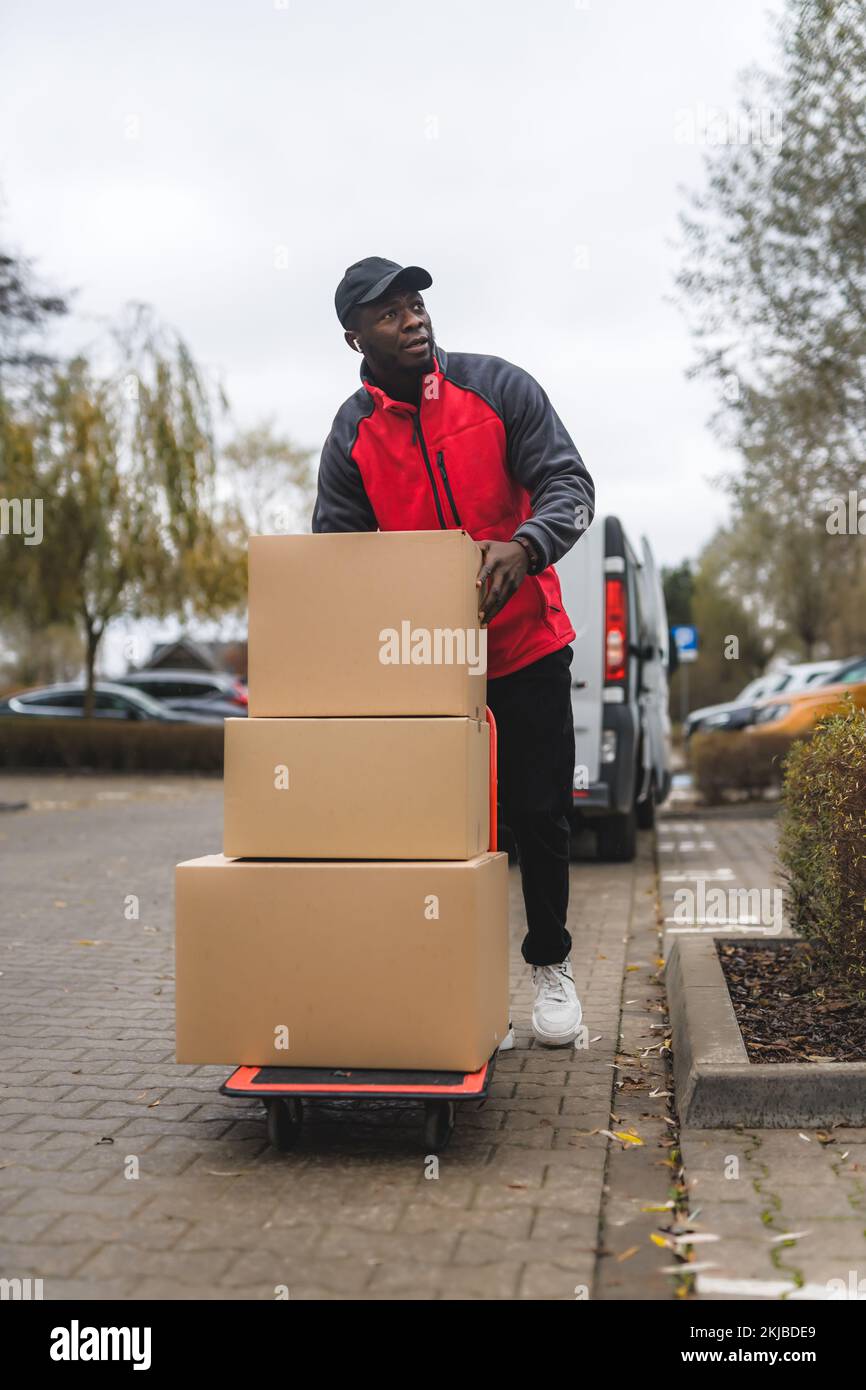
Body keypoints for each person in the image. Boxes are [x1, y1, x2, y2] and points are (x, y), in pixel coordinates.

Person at [312, 257, 595, 1046]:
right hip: (428, 666)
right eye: (389, 313)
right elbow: (336, 554)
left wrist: (527, 545)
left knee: (539, 815)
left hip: (528, 645)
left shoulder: (499, 388)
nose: (412, 319)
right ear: (353, 336)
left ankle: (551, 966)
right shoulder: (351, 432)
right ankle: (467, 996)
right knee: (445, 836)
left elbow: (569, 484)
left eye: (416, 304)